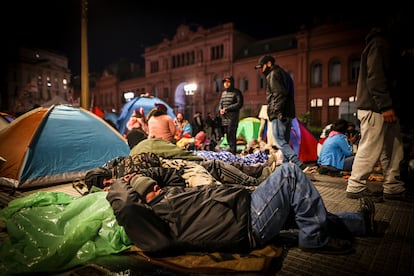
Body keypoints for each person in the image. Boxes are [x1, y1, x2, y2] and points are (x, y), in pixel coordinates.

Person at [106, 162, 375, 256]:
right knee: (290, 174)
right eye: (152, 190)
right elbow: (127, 207)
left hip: (247, 207)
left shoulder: (173, 192)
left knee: (304, 211)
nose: (158, 189)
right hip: (247, 224)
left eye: (156, 185)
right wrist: (119, 183)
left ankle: (360, 223)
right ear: (143, 201)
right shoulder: (154, 222)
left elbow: (168, 174)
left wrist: (140, 176)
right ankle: (314, 240)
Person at [346, 26, 411, 202]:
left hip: (382, 106)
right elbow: (376, 77)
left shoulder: (382, 44)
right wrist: (385, 106)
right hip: (376, 107)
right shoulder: (380, 44)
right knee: (371, 146)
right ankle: (356, 186)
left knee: (392, 148)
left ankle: (392, 186)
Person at [254, 55, 307, 171]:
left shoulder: (273, 74)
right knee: (285, 142)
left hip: (279, 113)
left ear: (268, 64)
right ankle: (285, 167)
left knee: (280, 141)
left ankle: (297, 162)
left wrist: (276, 112)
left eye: (261, 67)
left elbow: (278, 94)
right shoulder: (285, 74)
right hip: (288, 113)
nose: (261, 70)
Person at [219, 76, 244, 154]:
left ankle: (233, 152)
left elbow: (239, 104)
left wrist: (227, 109)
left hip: (232, 118)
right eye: (224, 82)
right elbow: (221, 103)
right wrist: (220, 109)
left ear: (232, 83)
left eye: (228, 82)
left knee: (232, 135)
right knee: (227, 135)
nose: (226, 84)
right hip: (224, 118)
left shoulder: (237, 92)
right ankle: (230, 150)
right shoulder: (223, 93)